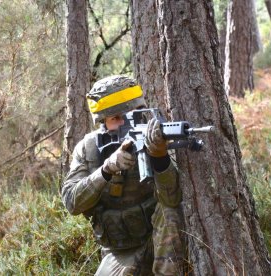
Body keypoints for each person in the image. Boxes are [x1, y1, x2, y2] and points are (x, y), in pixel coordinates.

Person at [61, 75, 184, 275]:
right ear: (103, 122)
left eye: (132, 114)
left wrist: (159, 156)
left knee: (170, 212)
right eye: (116, 118)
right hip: (120, 252)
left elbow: (173, 199)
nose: (125, 122)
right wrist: (106, 170)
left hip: (159, 241)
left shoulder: (157, 134)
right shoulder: (89, 148)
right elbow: (71, 202)